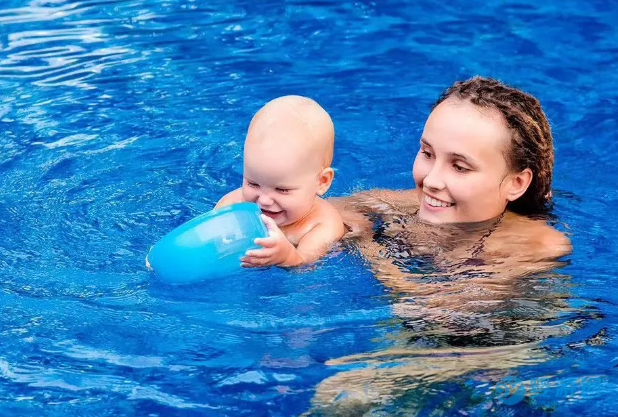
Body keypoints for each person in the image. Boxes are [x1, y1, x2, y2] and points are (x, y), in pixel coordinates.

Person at [308, 76, 574, 414]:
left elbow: (442, 311)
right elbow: (319, 209)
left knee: (346, 392)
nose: (432, 180)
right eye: (427, 153)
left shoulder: (537, 245)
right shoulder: (406, 205)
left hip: (503, 353)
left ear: (516, 183)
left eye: (459, 167)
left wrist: (367, 247)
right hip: (428, 335)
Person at [216, 95, 345, 267]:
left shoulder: (324, 225)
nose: (263, 200)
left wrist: (287, 257)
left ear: (321, 182)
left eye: (282, 189)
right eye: (253, 183)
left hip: (357, 225)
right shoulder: (232, 204)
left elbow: (305, 266)